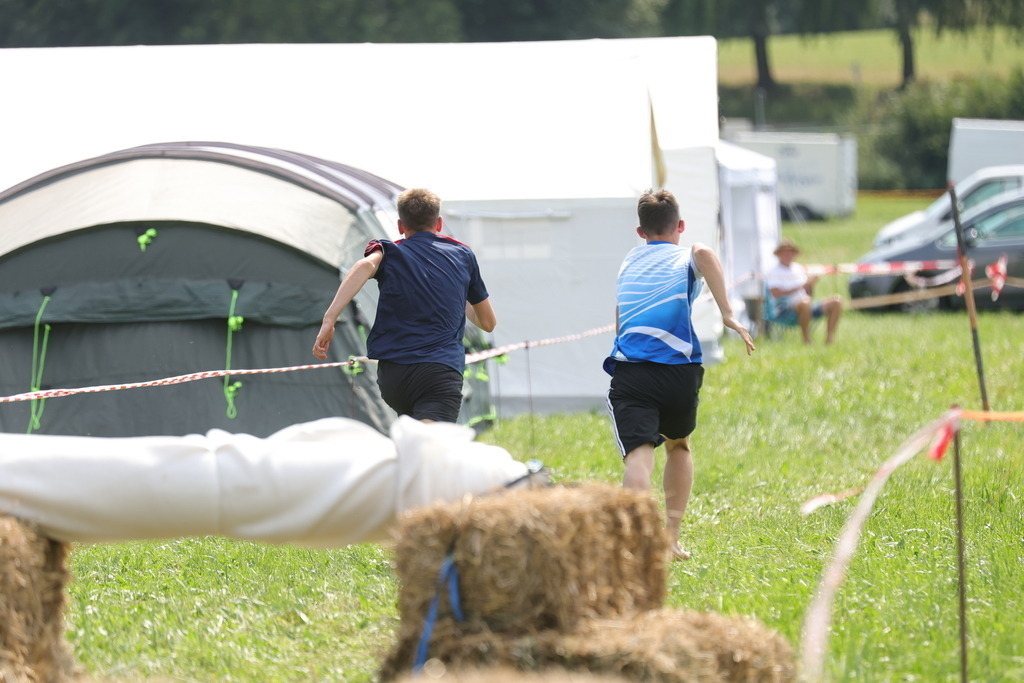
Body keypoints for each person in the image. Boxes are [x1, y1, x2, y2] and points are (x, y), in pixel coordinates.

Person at [604, 189, 755, 561]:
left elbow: (621, 317)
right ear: (680, 226)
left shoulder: (628, 261)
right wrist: (726, 313)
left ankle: (642, 543)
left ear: (640, 232)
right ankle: (671, 537)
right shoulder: (687, 253)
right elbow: (703, 253)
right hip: (679, 371)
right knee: (679, 445)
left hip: (633, 370)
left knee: (638, 458)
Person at [312, 188, 496, 423]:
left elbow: (361, 267)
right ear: (439, 223)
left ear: (400, 226)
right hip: (438, 371)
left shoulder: (390, 251)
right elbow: (488, 323)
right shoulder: (462, 254)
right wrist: (457, 298)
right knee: (429, 447)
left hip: (394, 377)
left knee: (412, 442)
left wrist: (329, 320)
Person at [764, 238, 841, 345]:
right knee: (804, 303)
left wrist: (811, 285)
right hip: (784, 307)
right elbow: (776, 293)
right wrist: (803, 286)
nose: (788, 254)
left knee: (836, 301)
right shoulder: (773, 271)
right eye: (785, 252)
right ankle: (806, 340)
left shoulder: (798, 268)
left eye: (790, 251)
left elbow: (808, 293)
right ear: (779, 254)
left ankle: (829, 340)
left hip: (805, 302)